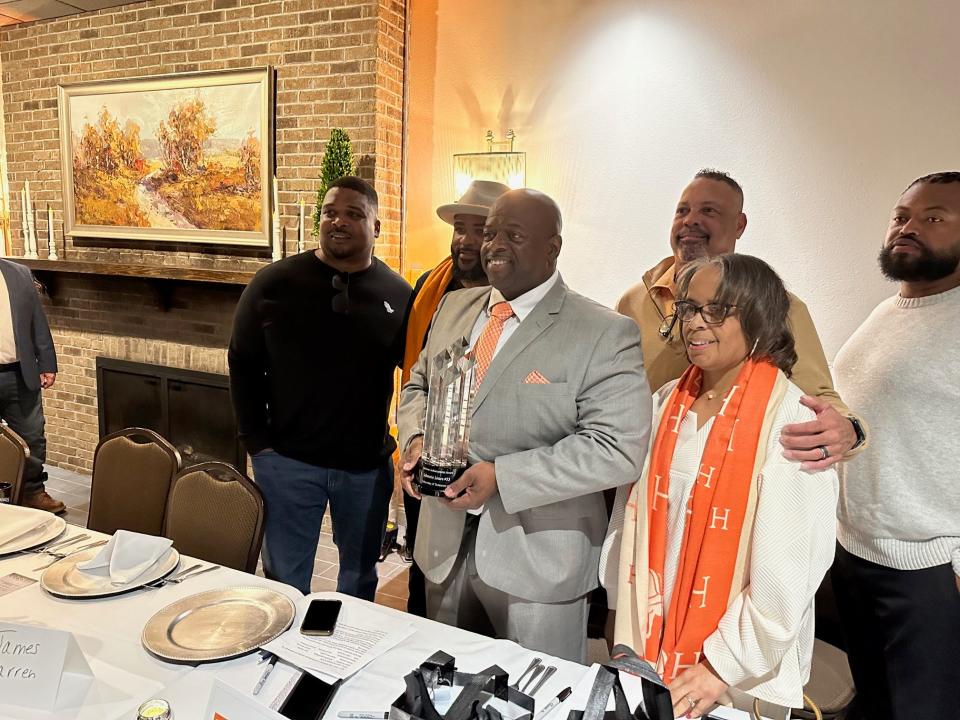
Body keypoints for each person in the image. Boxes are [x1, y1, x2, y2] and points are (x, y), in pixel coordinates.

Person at [397, 188, 650, 662]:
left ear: (553, 247)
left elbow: (618, 448)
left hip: (539, 564)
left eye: (514, 235)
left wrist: (503, 478)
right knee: (441, 689)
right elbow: (417, 387)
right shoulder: (454, 308)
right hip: (444, 544)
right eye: (491, 233)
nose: (493, 245)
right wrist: (413, 442)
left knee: (537, 698)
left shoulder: (602, 331)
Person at [604, 254, 838, 719]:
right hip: (649, 647)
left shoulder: (791, 421)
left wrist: (719, 667)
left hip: (739, 675)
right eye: (689, 308)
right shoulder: (666, 401)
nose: (695, 323)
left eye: (717, 310)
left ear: (758, 316)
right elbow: (628, 521)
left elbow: (790, 574)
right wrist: (623, 621)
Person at [228, 176, 412, 598]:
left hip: (364, 467)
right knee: (285, 582)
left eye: (354, 214)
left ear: (376, 227)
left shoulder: (398, 295)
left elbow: (417, 373)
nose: (339, 221)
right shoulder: (273, 284)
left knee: (359, 580)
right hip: (288, 462)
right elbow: (242, 359)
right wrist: (255, 440)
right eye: (330, 212)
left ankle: (342, 657)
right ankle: (285, 661)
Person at [617, 170, 867, 470]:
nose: (690, 220)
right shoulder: (633, 301)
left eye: (708, 210)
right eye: (683, 210)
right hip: (637, 469)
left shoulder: (778, 306)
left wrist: (851, 431)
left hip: (725, 475)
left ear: (739, 225)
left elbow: (817, 395)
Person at [831, 171, 960, 720]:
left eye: (933, 218)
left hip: (929, 571)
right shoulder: (890, 312)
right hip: (856, 555)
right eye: (901, 216)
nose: (908, 228)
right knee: (876, 704)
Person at [399, 179, 509, 616]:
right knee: (423, 574)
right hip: (425, 463)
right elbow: (412, 375)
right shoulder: (432, 288)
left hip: (491, 499)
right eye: (459, 227)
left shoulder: (529, 310)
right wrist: (413, 441)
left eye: (479, 229)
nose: (465, 241)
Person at [0, 258, 63, 514]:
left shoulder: (19, 273)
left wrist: (47, 362)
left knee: (33, 435)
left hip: (19, 373)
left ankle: (33, 491)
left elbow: (37, 320)